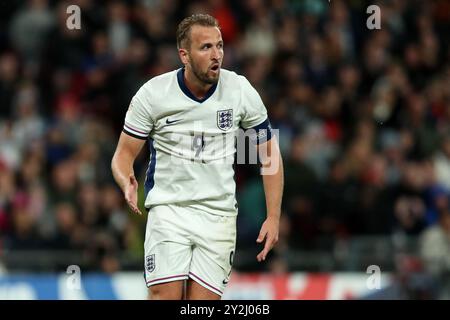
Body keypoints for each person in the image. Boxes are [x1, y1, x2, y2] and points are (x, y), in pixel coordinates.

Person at [111, 14, 284, 300]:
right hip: (169, 210)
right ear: (184, 55)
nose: (216, 55)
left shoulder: (240, 90)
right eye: (206, 48)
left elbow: (270, 156)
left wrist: (274, 217)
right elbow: (123, 154)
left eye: (220, 46)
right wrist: (125, 178)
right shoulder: (153, 95)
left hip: (218, 216)